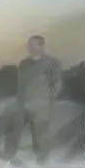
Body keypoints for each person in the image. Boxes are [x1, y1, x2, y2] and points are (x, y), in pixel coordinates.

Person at [14, 33, 66, 161]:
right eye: (29, 45)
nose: (31, 48)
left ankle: (43, 156)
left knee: (41, 130)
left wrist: (48, 99)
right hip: (24, 102)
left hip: (41, 104)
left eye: (34, 45)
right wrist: (19, 98)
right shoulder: (24, 63)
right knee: (28, 129)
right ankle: (33, 150)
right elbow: (20, 83)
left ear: (42, 46)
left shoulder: (52, 63)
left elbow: (57, 84)